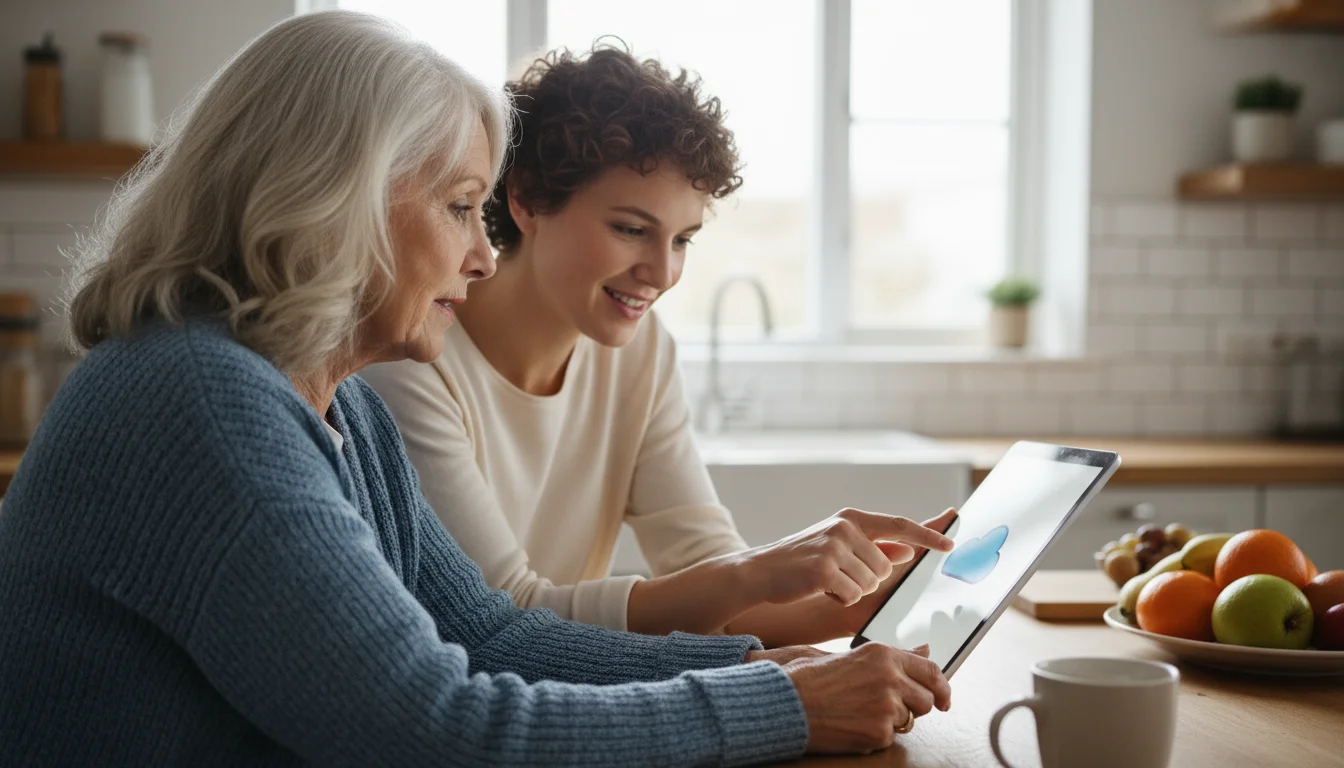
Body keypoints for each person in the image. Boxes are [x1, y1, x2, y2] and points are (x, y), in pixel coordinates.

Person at [0, 11, 953, 765]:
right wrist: (776, 703)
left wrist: (751, 662)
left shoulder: (342, 408)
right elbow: (435, 726)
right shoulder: (200, 405)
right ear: (334, 201)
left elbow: (489, 633)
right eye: (460, 207)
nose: (481, 254)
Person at [361, 44, 957, 647]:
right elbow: (505, 618)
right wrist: (752, 576)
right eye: (631, 230)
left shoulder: (640, 354)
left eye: (682, 240)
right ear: (527, 199)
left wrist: (859, 601)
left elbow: (710, 568)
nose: (662, 273)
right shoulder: (408, 360)